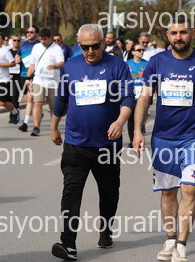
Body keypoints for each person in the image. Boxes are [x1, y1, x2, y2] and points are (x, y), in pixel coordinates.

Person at [132, 15, 195, 262]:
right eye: (174, 33)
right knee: (168, 192)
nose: (178, 37)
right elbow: (144, 98)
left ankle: (181, 244)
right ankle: (170, 239)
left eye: (183, 32)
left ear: (192, 33)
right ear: (168, 36)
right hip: (163, 137)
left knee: (189, 189)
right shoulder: (157, 62)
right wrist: (138, 130)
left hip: (194, 136)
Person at [50, 24, 134, 260]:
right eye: (85, 47)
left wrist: (120, 121)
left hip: (107, 145)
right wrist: (54, 126)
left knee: (109, 192)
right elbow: (62, 98)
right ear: (79, 45)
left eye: (95, 46)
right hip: (76, 144)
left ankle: (105, 231)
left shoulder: (117, 66)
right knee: (71, 192)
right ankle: (68, 243)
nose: (90, 51)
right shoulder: (70, 66)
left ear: (103, 43)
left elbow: (128, 97)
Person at [26, 28, 65, 136]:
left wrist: (55, 66)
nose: (43, 41)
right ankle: (36, 127)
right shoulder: (36, 47)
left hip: (53, 82)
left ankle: (53, 127)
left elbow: (61, 63)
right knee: (38, 103)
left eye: (45, 39)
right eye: (41, 39)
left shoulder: (56, 48)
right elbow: (32, 64)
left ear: (50, 38)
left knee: (52, 105)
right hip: (38, 80)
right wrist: (27, 78)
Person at [15, 26, 40, 132]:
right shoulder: (23, 44)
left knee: (30, 99)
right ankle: (37, 113)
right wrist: (17, 58)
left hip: (35, 75)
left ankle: (26, 123)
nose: (29, 34)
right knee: (28, 99)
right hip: (23, 75)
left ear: (36, 34)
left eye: (31, 32)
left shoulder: (39, 45)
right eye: (27, 32)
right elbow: (17, 55)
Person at [126, 43, 148, 145]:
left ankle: (138, 136)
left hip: (142, 95)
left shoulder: (147, 64)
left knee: (139, 118)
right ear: (133, 52)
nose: (141, 52)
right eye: (139, 50)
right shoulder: (127, 63)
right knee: (130, 119)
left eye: (143, 50)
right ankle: (132, 141)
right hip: (131, 94)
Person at [8, 34, 22, 120]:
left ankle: (14, 115)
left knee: (14, 96)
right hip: (8, 76)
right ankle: (14, 112)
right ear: (11, 41)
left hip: (19, 77)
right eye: (14, 40)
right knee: (9, 97)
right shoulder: (8, 52)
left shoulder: (22, 51)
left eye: (18, 40)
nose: (16, 42)